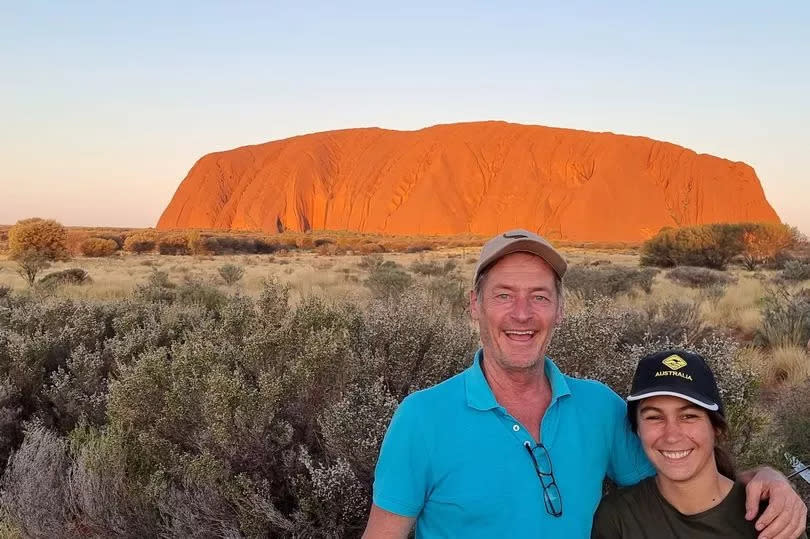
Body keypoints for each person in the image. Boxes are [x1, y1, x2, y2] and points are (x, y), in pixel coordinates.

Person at [362, 229, 807, 538]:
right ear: (474, 305)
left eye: (539, 296)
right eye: (503, 295)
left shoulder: (598, 407)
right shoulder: (422, 418)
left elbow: (684, 473)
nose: (522, 314)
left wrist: (765, 479)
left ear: (560, 310)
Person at [591, 350, 808, 538]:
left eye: (689, 416)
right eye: (654, 417)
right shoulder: (617, 517)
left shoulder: (773, 516)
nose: (672, 435)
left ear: (716, 427)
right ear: (637, 429)